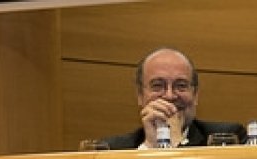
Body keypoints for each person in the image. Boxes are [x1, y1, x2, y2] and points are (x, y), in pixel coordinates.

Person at [101, 47, 245, 149]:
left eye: (181, 85)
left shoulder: (229, 139)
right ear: (140, 95)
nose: (169, 96)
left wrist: (176, 144)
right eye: (158, 86)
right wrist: (150, 147)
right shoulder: (112, 150)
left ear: (195, 94)